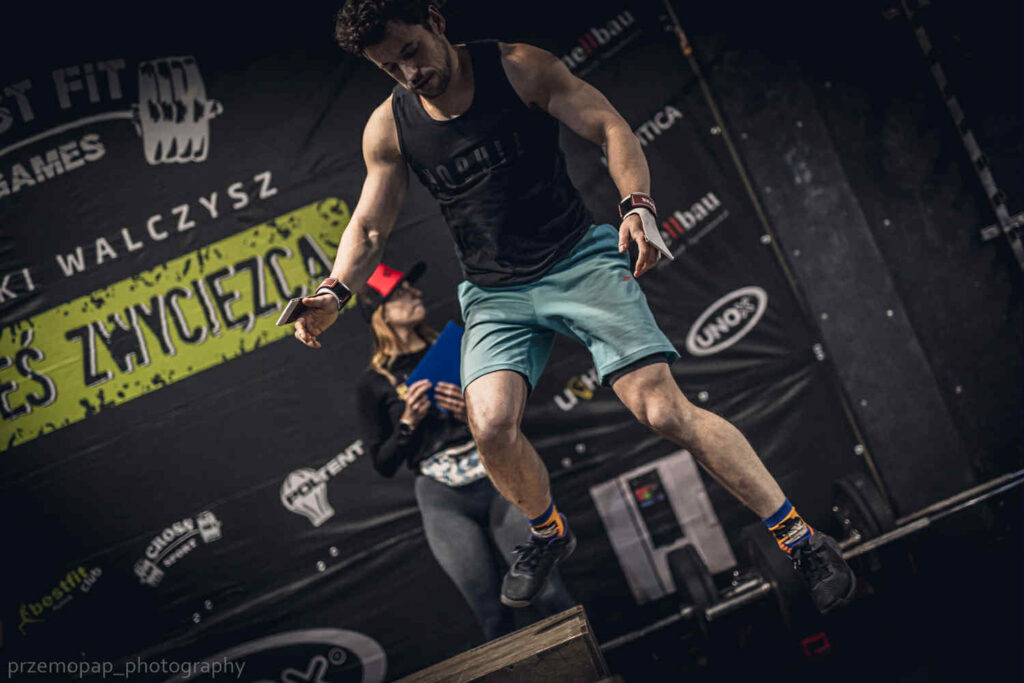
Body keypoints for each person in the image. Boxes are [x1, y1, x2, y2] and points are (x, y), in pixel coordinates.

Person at [292, 0, 855, 614]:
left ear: (436, 22)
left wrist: (637, 204)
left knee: (663, 410)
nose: (409, 74)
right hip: (495, 291)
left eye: (411, 52)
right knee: (489, 424)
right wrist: (334, 292)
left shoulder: (518, 68)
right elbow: (370, 227)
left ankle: (802, 540)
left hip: (577, 262)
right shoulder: (390, 127)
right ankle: (547, 531)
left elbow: (609, 126)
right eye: (389, 68)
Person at [354, 260, 575, 639]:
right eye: (401, 293)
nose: (415, 294)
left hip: (497, 474)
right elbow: (383, 464)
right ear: (381, 313)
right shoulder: (373, 384)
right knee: (490, 614)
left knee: (548, 590)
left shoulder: (460, 346)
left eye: (411, 288)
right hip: (442, 495)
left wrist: (469, 409)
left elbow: (510, 407)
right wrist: (407, 423)